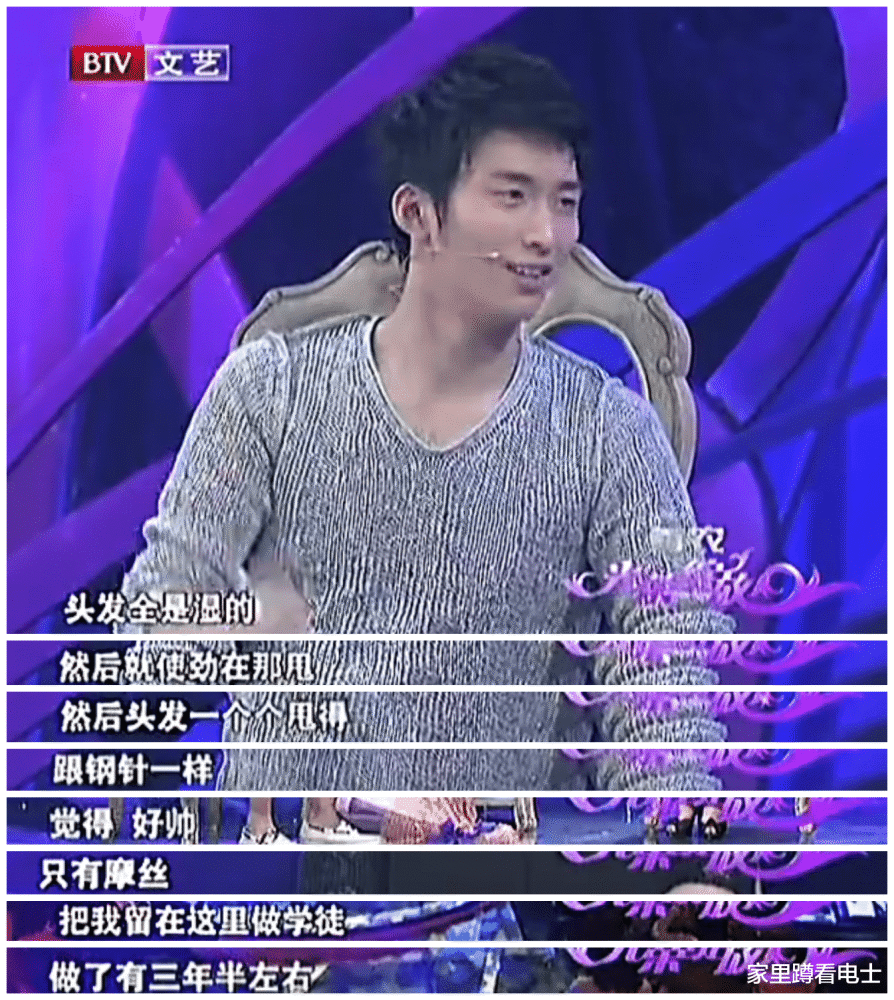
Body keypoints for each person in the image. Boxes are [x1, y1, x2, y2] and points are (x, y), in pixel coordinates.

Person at [120, 44, 733, 842]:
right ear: (418, 213)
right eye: (512, 196)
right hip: (300, 875)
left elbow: (665, 683)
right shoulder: (270, 392)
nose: (546, 235)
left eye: (565, 202)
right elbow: (153, 629)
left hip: (507, 878)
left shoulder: (608, 428)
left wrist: (675, 856)